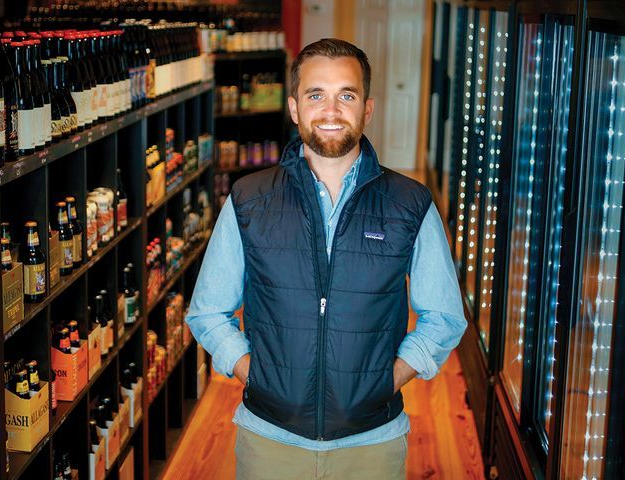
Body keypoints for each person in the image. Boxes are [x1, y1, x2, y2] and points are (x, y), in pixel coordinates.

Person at [186, 38, 466, 480]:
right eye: (316, 95)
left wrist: (382, 382)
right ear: (295, 107)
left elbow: (444, 318)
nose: (331, 110)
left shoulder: (410, 203)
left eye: (346, 96)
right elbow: (207, 312)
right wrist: (255, 374)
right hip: (269, 439)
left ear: (367, 109)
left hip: (372, 444)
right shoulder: (249, 198)